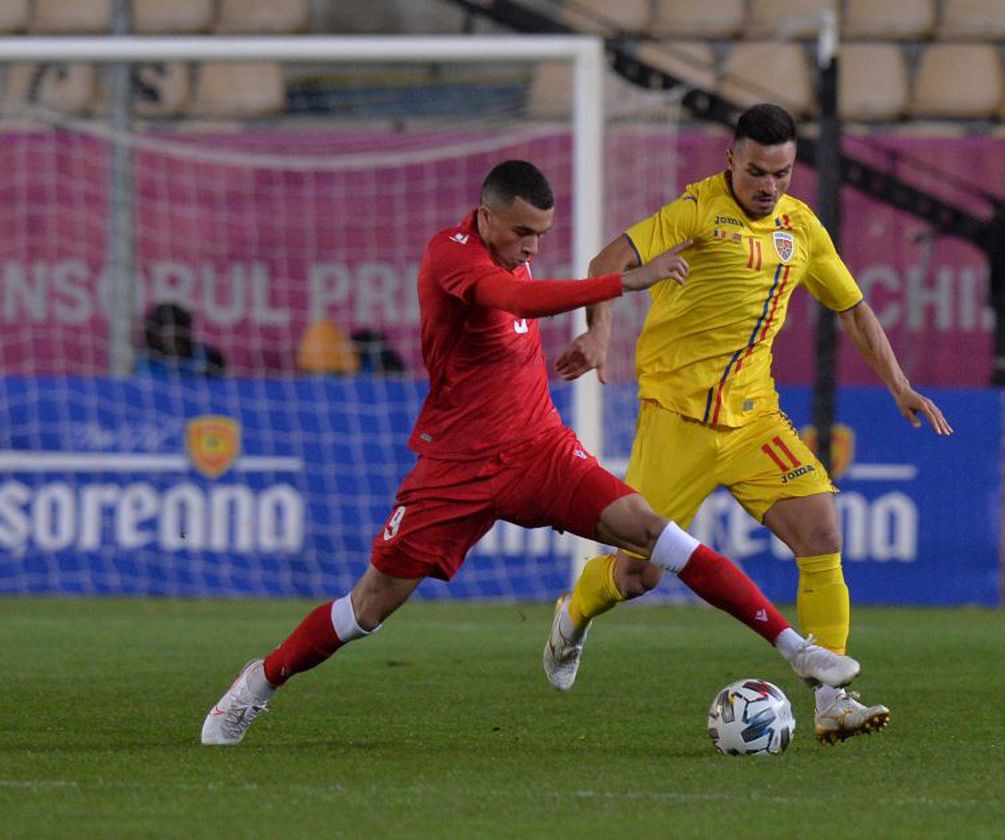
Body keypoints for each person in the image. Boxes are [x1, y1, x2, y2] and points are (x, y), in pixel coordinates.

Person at [201, 159, 860, 746]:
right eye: (520, 234)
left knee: (661, 538)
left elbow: (512, 327)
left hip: (541, 450)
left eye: (541, 235)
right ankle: (258, 683)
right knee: (366, 609)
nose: (531, 247)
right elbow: (513, 299)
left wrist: (589, 344)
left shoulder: (513, 249)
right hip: (458, 468)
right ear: (486, 217)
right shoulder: (451, 256)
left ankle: (797, 649)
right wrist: (623, 284)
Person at [547, 104, 954, 745]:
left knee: (821, 528)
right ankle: (574, 609)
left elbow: (852, 308)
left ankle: (832, 700)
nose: (770, 186)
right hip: (677, 419)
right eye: (758, 172)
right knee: (638, 575)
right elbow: (604, 263)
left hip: (752, 418)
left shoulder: (802, 228)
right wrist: (599, 335)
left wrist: (899, 385)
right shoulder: (696, 211)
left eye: (783, 173)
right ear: (731, 160)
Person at [136, 302, 225, 377]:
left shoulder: (208, 357)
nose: (169, 342)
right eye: (161, 336)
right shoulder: (146, 359)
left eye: (174, 337)